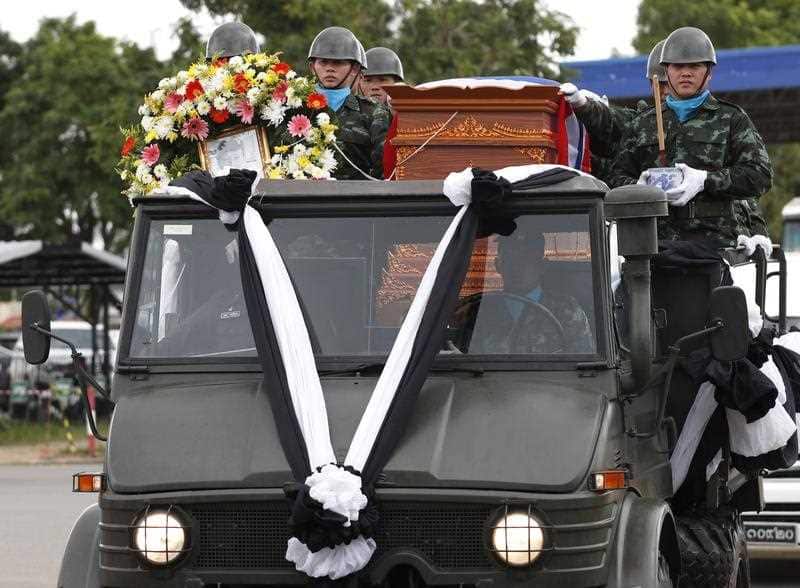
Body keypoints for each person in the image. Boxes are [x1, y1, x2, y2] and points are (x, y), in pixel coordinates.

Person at [608, 27, 773, 248]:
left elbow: (760, 175)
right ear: (667, 71)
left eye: (695, 66)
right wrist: (639, 186)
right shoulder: (642, 124)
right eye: (678, 66)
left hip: (714, 247)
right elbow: (616, 178)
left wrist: (705, 180)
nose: (686, 73)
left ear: (708, 72)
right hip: (653, 248)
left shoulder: (731, 119)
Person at [451, 227, 593, 354]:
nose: (517, 267)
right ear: (498, 265)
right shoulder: (479, 310)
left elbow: (584, 366)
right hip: (484, 383)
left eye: (526, 259)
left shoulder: (565, 309)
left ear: (542, 266)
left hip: (547, 383)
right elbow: (460, 358)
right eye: (510, 259)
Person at [559, 40, 668, 185]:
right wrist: (583, 105)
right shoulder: (640, 122)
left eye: (668, 83)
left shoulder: (705, 119)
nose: (665, 91)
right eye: (660, 84)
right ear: (651, 84)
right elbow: (611, 120)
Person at [305, 26, 391, 180]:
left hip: (356, 201)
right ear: (312, 67)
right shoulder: (295, 108)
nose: (330, 69)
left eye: (338, 63)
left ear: (355, 68)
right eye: (323, 62)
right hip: (297, 200)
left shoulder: (374, 112)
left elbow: (384, 169)